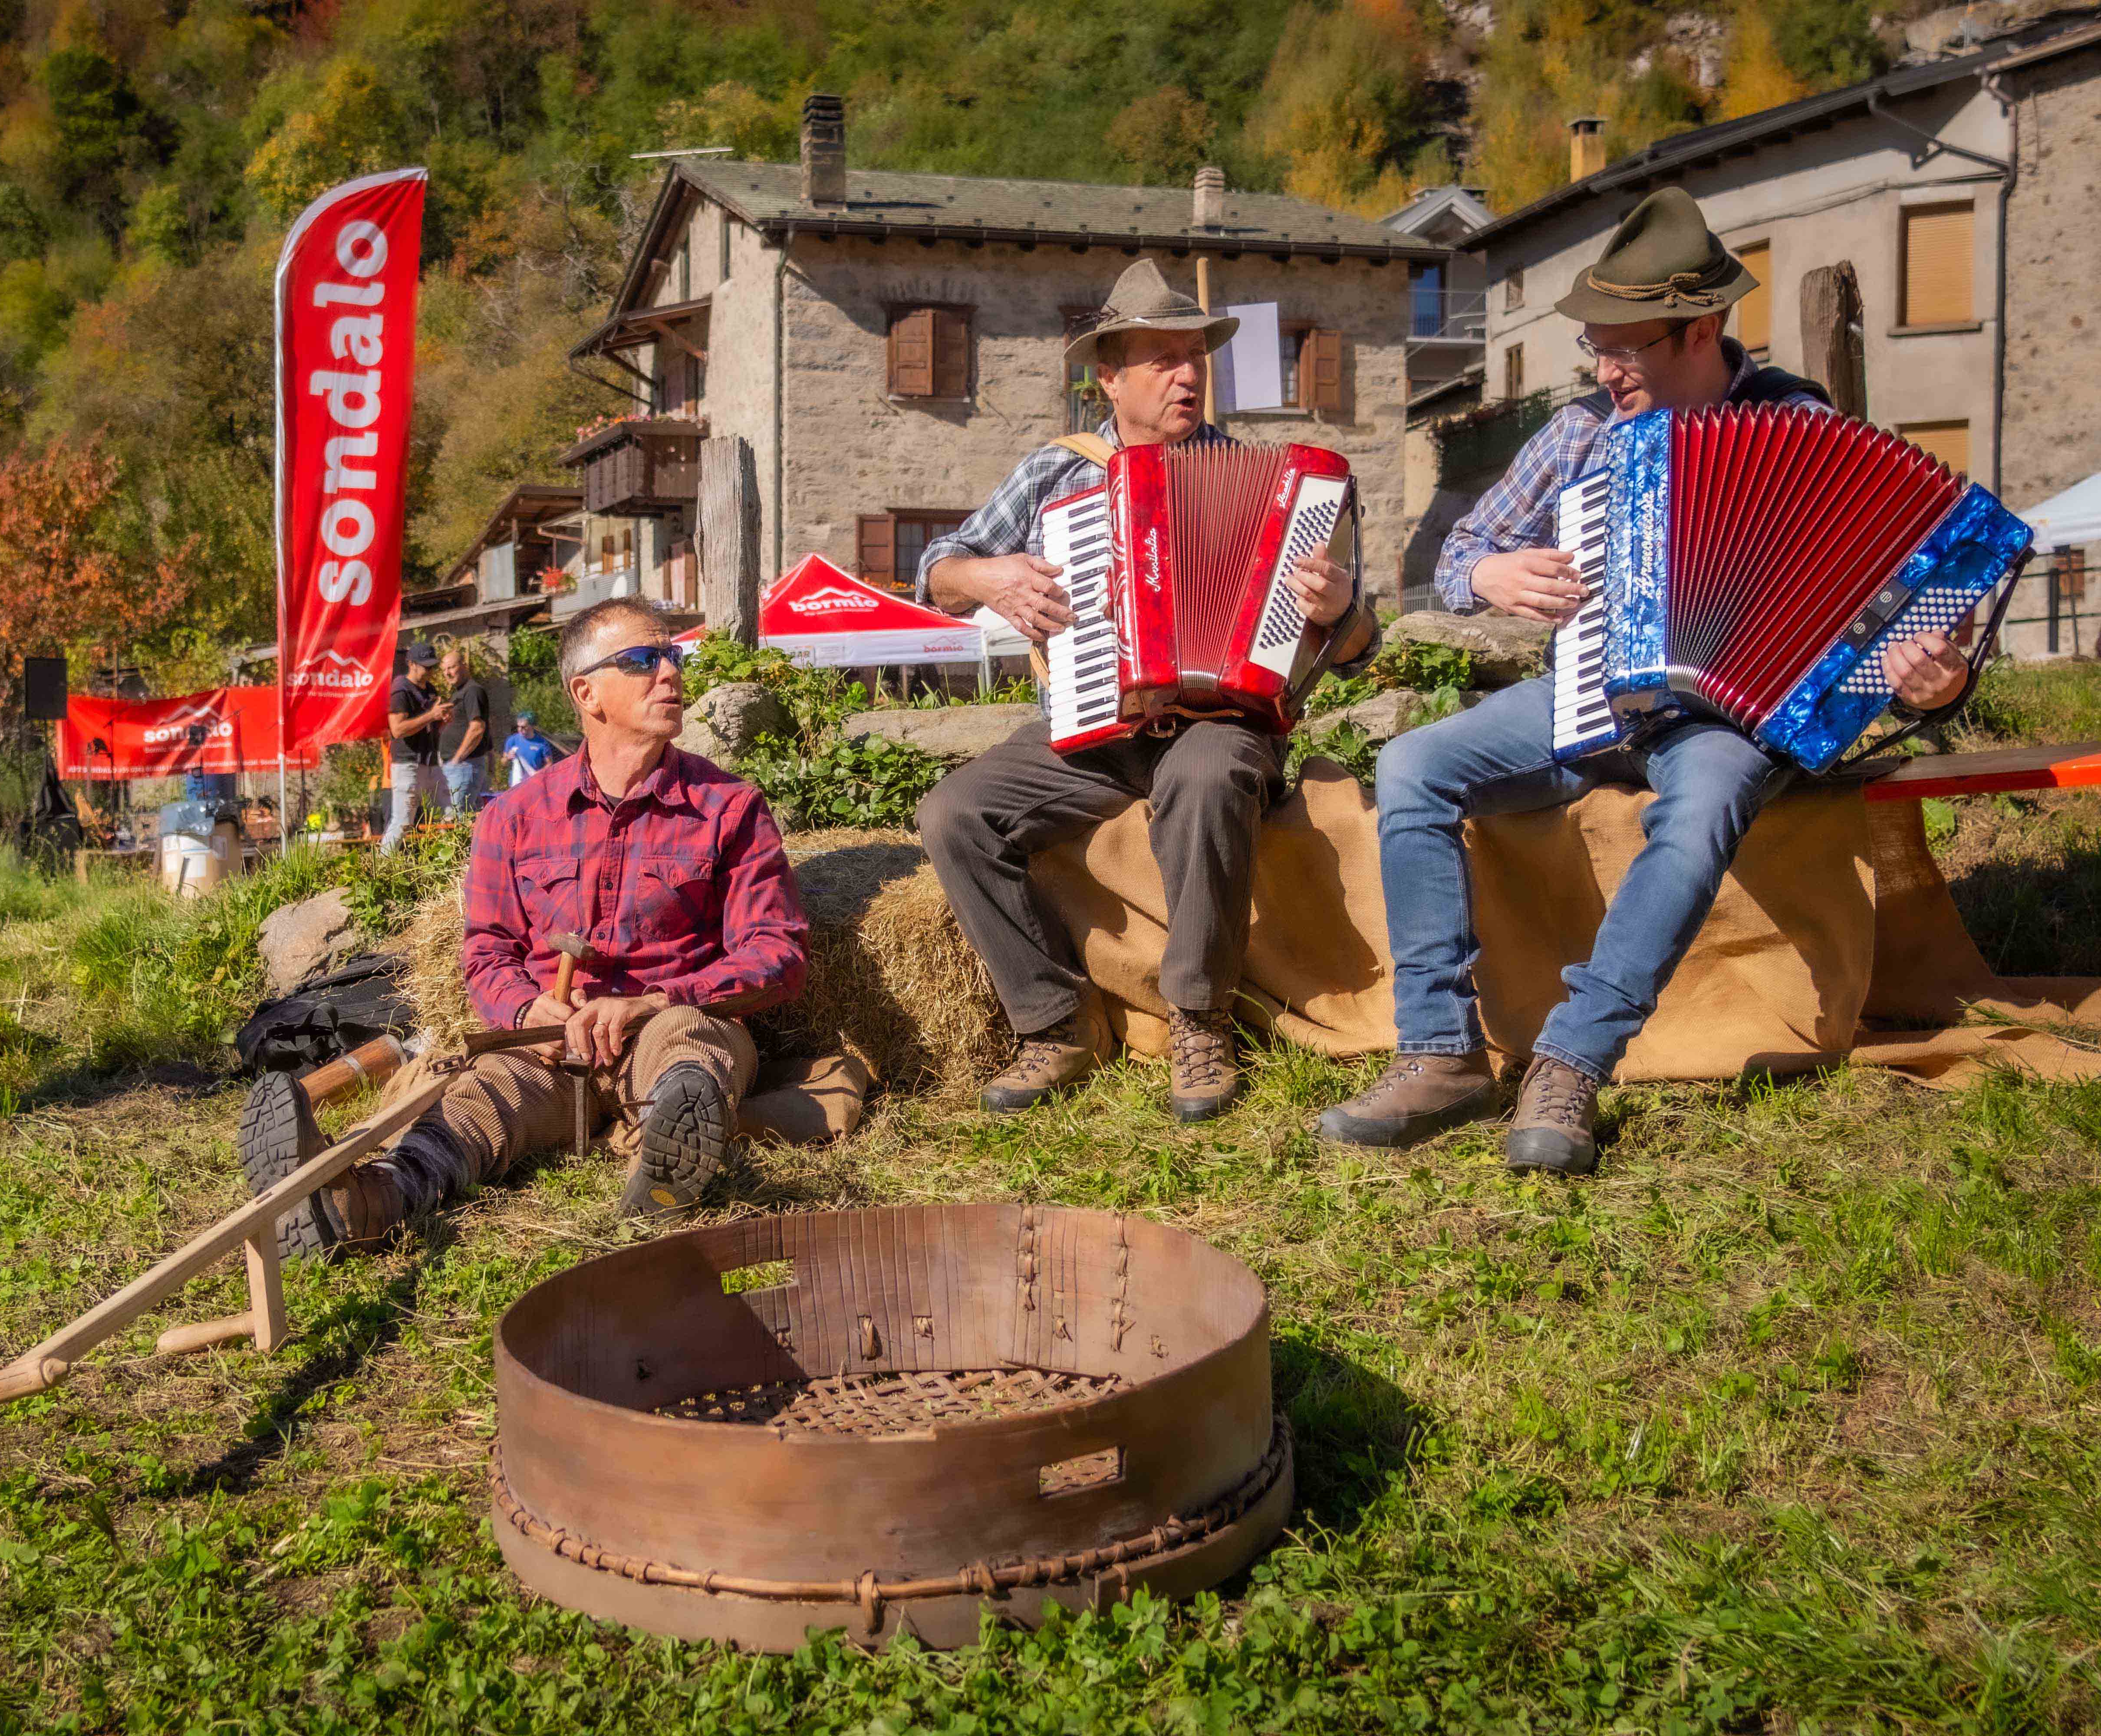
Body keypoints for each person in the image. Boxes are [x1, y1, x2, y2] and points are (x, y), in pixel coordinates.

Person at [1318, 189, 1973, 1176]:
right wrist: (1490, 575)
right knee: (1413, 766)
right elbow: (1459, 551)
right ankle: (1440, 1054)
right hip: (1586, 690)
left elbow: (1901, 615)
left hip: (1723, 719)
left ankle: (1571, 1063)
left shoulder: (1800, 425)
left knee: (1704, 803)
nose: (1603, 370)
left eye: (1624, 348)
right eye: (1595, 346)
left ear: (1701, 330)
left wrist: (1931, 680)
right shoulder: (1580, 432)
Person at [913, 260, 1377, 1122]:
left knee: (1206, 776)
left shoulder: (1281, 485)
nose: (1187, 375)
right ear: (1110, 377)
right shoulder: (1056, 472)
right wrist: (986, 578)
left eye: (1195, 357)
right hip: (1091, 725)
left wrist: (1339, 610)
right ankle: (1055, 1022)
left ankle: (1199, 1020)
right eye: (1162, 359)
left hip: (1217, 722)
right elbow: (936, 572)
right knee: (953, 813)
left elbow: (1355, 650)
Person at [244, 596, 808, 1243]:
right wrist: (522, 1012)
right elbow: (487, 949)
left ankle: (667, 1158)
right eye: (643, 660)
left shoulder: (729, 807)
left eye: (673, 656)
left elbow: (778, 952)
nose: (671, 673)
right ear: (586, 693)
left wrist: (653, 1001)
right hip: (550, 1050)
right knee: (480, 1098)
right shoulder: (513, 816)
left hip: (665, 1028)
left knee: (690, 1048)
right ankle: (372, 1199)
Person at [381, 643, 448, 849]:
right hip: (407, 764)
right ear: (411, 664)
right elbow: (398, 729)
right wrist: (432, 716)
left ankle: (451, 859)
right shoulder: (401, 690)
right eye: (426, 666)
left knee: (449, 814)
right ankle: (383, 862)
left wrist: (444, 719)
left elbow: (431, 726)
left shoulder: (430, 690)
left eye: (433, 666)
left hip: (431, 763)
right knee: (403, 823)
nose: (430, 671)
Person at [437, 644, 493, 815]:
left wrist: (457, 760)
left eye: (452, 668)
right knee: (463, 818)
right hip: (459, 766)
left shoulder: (473, 691)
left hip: (464, 766)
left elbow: (478, 728)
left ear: (464, 666)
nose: (447, 673)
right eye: (444, 670)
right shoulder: (460, 693)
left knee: (455, 817)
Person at [502, 710, 561, 786]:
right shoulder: (512, 740)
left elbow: (549, 764)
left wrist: (538, 774)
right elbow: (503, 762)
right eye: (518, 727)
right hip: (516, 785)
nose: (520, 729)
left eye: (523, 727)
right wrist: (507, 758)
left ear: (532, 726)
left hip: (535, 783)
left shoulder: (542, 743)